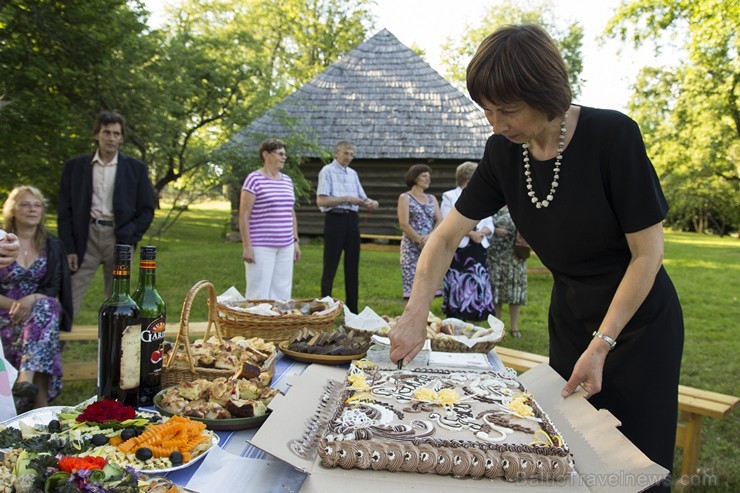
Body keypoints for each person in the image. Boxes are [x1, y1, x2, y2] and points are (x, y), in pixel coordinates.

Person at [389, 24, 683, 491]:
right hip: (570, 319)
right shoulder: (503, 153)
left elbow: (648, 255)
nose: (497, 124)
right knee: (570, 452)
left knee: (634, 465)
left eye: (508, 110)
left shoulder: (614, 136)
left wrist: (603, 342)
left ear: (547, 93)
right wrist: (414, 313)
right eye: (486, 110)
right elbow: (444, 240)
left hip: (636, 325)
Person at [58, 111, 155, 317]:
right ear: (96, 134)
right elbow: (64, 211)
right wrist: (69, 248)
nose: (111, 138)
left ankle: (116, 348)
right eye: (106, 132)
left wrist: (131, 237)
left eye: (116, 134)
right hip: (85, 237)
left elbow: (147, 209)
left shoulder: (135, 168)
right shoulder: (75, 167)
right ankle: (59, 346)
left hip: (119, 238)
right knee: (70, 295)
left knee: (118, 300)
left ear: (121, 137)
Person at [0, 186, 72, 411]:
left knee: (47, 307)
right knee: (44, 330)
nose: (32, 209)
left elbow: (54, 285)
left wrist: (31, 299)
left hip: (38, 309)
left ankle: (25, 381)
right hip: (4, 311)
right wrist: (13, 304)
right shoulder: (2, 241)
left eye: (37, 205)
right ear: (12, 210)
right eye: (25, 204)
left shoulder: (52, 245)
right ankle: (36, 404)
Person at [316, 141, 379, 314]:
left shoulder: (353, 173)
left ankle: (353, 311)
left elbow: (361, 198)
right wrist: (345, 198)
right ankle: (325, 308)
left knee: (353, 266)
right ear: (337, 152)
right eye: (346, 153)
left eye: (352, 154)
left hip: (352, 220)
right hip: (335, 219)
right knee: (330, 265)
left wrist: (371, 203)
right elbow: (321, 201)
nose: (349, 157)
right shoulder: (327, 171)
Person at [239, 138, 301, 300]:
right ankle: (256, 324)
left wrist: (295, 241)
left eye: (285, 154)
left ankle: (277, 325)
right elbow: (244, 215)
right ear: (266, 154)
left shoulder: (287, 181)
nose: (284, 157)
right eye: (280, 153)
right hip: (261, 247)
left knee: (282, 293)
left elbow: (290, 212)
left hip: (286, 246)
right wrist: (247, 246)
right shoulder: (254, 179)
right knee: (258, 293)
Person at [439, 162, 494, 321]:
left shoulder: (482, 196)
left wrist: (482, 232)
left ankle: (474, 315)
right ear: (468, 177)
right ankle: (457, 315)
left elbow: (489, 222)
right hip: (460, 247)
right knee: (459, 280)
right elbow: (447, 221)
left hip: (479, 247)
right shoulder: (450, 196)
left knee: (477, 281)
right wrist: (471, 234)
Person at [397, 164, 443, 300]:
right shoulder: (405, 197)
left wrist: (429, 238)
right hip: (410, 248)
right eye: (424, 176)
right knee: (411, 289)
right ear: (414, 177)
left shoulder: (432, 198)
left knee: (428, 287)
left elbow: (439, 220)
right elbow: (403, 224)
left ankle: (427, 319)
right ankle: (408, 319)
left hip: (429, 246)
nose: (428, 179)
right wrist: (420, 240)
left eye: (429, 177)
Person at [488, 205, 527, 337]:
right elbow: (483, 223)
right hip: (494, 255)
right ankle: (497, 327)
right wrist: (494, 230)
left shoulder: (519, 205)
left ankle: (514, 327)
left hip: (515, 256)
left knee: (514, 293)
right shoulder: (493, 205)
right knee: (496, 292)